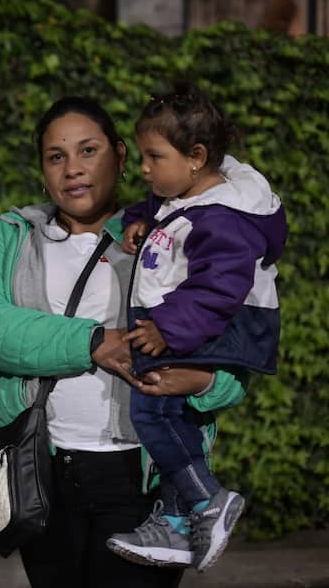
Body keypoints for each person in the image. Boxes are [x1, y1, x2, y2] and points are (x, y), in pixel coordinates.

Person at [0, 95, 248, 588]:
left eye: (88, 150)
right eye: (56, 156)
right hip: (43, 472)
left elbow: (235, 360)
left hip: (143, 481)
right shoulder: (14, 235)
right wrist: (95, 341)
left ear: (120, 154)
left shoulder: (175, 233)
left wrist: (202, 380)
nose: (72, 169)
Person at [106, 84, 287, 572]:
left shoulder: (225, 218)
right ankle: (176, 522)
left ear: (196, 157)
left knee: (152, 411)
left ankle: (207, 499)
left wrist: (166, 328)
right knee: (172, 416)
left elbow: (218, 286)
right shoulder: (187, 193)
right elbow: (166, 209)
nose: (143, 168)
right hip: (189, 323)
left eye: (153, 157)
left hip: (210, 325)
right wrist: (137, 220)